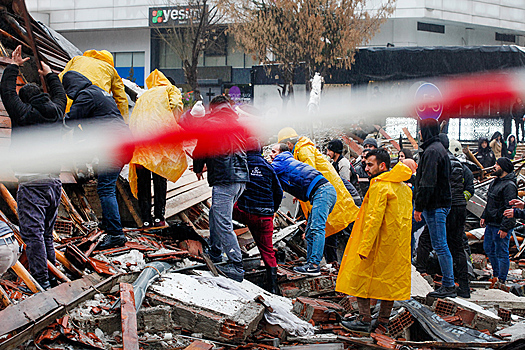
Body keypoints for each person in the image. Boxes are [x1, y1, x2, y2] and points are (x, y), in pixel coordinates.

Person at [0, 46, 66, 289]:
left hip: (32, 183)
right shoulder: (57, 112)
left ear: (25, 99)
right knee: (46, 234)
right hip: (53, 184)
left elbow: (6, 93)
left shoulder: (24, 114)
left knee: (33, 235)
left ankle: (41, 282)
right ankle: (52, 275)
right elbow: (60, 94)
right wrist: (50, 74)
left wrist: (13, 66)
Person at [336, 149, 413, 333]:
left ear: (382, 165)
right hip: (396, 246)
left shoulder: (379, 186)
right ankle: (383, 323)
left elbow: (373, 219)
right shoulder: (403, 187)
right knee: (389, 283)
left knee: (360, 278)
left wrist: (364, 247)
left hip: (376, 243)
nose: (366, 168)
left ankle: (364, 320)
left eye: (370, 164)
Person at [62, 71, 131, 250]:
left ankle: (116, 234)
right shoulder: (98, 92)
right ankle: (110, 226)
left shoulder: (85, 96)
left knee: (105, 187)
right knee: (107, 186)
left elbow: (70, 120)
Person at [193, 95, 249, 282]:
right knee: (215, 213)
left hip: (225, 179)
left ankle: (236, 265)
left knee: (223, 221)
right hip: (241, 178)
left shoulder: (211, 122)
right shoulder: (235, 123)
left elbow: (201, 148)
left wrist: (199, 168)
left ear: (212, 108)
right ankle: (216, 252)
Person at [415, 134, 474, 298]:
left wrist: (422, 204)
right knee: (457, 245)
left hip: (442, 206)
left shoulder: (437, 160)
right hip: (457, 208)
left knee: (431, 241)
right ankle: (463, 287)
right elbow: (470, 188)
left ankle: (424, 272)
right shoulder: (462, 166)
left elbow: (430, 183)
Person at [128, 70, 187, 228]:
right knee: (160, 180)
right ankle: (159, 217)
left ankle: (146, 218)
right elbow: (175, 105)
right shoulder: (170, 89)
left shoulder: (144, 95)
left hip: (141, 145)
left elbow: (133, 118)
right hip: (160, 144)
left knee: (143, 183)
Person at [271, 143, 337, 275]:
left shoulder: (281, 161)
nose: (271, 155)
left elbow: (265, 172)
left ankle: (313, 265)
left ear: (281, 152)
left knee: (317, 228)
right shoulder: (287, 162)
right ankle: (310, 264)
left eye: (273, 151)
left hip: (322, 192)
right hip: (324, 192)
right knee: (310, 232)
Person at [233, 138, 283, 293]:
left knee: (221, 216)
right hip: (265, 216)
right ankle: (273, 288)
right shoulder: (269, 167)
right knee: (267, 250)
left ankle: (228, 261)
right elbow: (279, 192)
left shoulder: (242, 163)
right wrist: (272, 210)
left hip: (244, 212)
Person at [414, 118, 456, 298]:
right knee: (439, 245)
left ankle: (448, 285)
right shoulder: (437, 149)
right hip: (438, 204)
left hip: (435, 205)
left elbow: (427, 182)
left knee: (440, 245)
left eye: (420, 130)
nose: (419, 134)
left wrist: (419, 206)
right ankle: (448, 283)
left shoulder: (432, 151)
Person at [59, 49, 129, 122]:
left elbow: (61, 77)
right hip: (96, 105)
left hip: (70, 97)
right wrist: (124, 121)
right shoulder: (110, 69)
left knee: (68, 124)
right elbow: (121, 99)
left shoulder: (77, 59)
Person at [481, 158, 517, 286]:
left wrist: (505, 227)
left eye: (497, 164)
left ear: (504, 168)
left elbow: (511, 209)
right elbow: (490, 202)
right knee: (488, 248)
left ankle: (501, 279)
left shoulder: (509, 186)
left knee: (501, 251)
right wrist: (484, 216)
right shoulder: (495, 182)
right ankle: (496, 274)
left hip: (500, 225)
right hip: (491, 223)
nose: (494, 166)